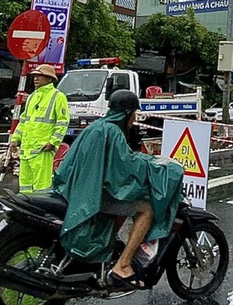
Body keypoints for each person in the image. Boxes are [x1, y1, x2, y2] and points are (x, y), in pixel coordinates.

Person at [53, 89, 184, 291]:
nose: (135, 118)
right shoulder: (113, 132)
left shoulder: (96, 127)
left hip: (78, 189)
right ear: (127, 113)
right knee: (146, 209)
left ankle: (110, 248)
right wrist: (154, 164)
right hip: (94, 195)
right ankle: (123, 266)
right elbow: (125, 169)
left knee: (127, 203)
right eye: (134, 114)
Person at [10, 64, 69, 194]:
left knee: (41, 187)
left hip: (43, 150)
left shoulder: (57, 97)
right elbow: (24, 120)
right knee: (25, 187)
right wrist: (15, 139)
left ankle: (40, 210)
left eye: (40, 76)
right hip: (26, 150)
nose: (36, 78)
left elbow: (62, 122)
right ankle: (26, 209)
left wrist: (53, 142)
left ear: (49, 79)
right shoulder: (32, 97)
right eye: (35, 76)